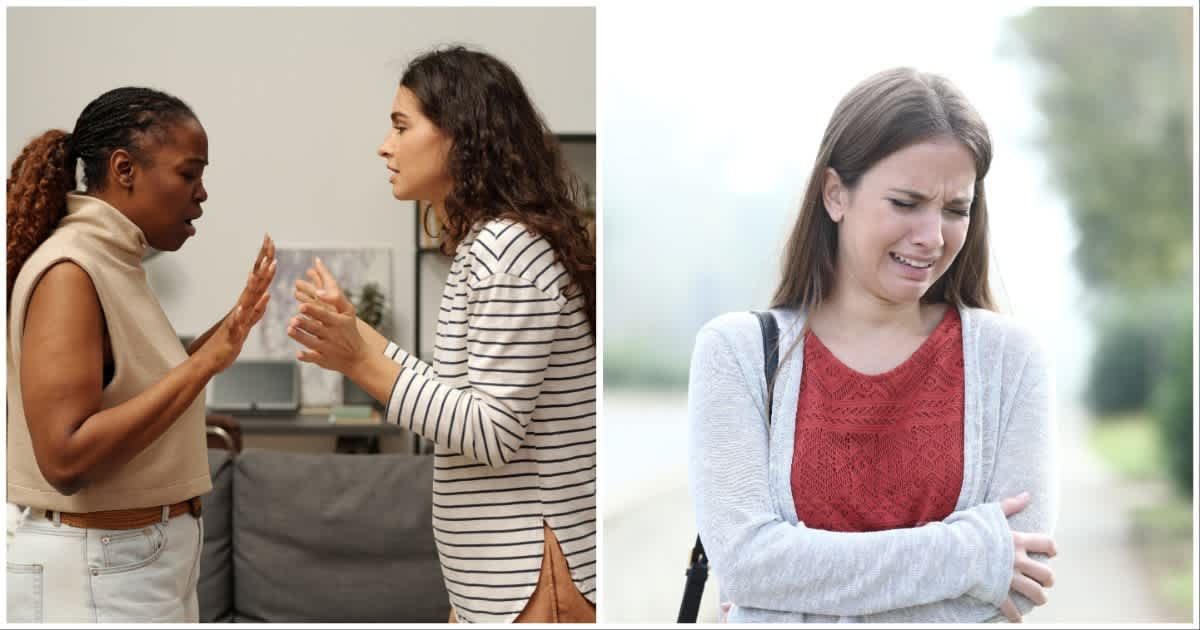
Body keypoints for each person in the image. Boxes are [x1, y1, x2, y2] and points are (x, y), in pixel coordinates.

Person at [688, 67, 1059, 623]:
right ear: (836, 194)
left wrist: (796, 591)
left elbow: (1022, 581)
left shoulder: (1012, 360)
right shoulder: (736, 352)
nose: (932, 237)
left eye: (956, 210)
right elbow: (746, 566)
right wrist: (972, 553)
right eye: (906, 203)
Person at [286, 46, 596, 623]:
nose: (385, 146)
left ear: (461, 135)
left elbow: (492, 432)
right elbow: (461, 399)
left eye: (401, 126)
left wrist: (360, 362)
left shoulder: (506, 251)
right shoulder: (491, 244)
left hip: (528, 583)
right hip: (500, 585)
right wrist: (360, 336)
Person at [6, 86, 276, 623]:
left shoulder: (114, 261)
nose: (202, 193)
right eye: (188, 173)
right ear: (124, 169)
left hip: (127, 565)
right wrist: (207, 361)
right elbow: (65, 459)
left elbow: (135, 394)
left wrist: (233, 326)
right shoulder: (70, 271)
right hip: (98, 570)